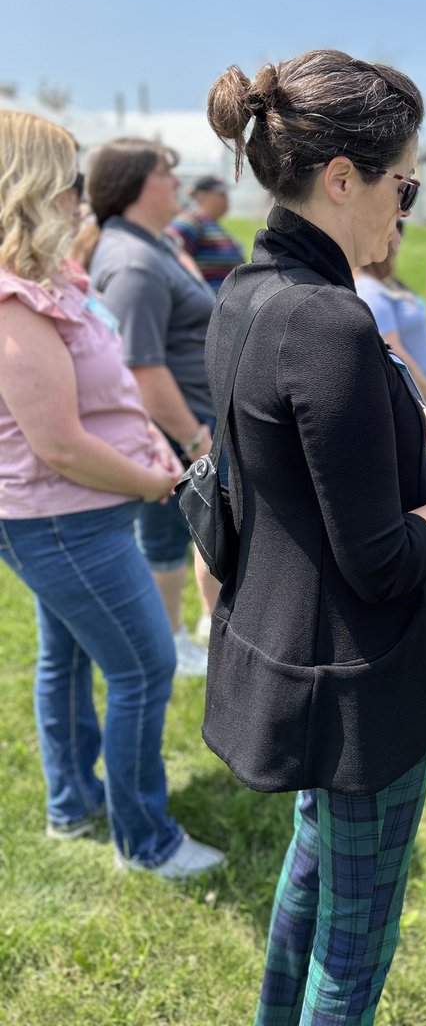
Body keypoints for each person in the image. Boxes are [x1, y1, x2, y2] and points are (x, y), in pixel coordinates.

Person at [204, 49, 426, 1024]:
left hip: (291, 665)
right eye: (408, 181)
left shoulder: (249, 290)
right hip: (359, 689)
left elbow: (308, 457)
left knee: (310, 884)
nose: (412, 204)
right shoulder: (329, 322)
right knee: (354, 951)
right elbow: (383, 556)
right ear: (342, 177)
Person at [0, 109, 224, 878]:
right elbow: (57, 442)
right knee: (144, 668)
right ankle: (148, 839)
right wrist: (157, 478)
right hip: (64, 519)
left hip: (77, 512)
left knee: (65, 658)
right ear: (30, 186)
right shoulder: (13, 303)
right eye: (66, 179)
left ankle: (75, 804)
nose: (78, 196)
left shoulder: (50, 278)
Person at [87, 139, 218, 676]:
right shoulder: (135, 262)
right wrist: (195, 439)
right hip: (172, 429)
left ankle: (193, 627)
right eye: (168, 174)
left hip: (187, 423)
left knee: (195, 531)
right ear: (139, 184)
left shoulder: (151, 245)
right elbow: (141, 370)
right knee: (164, 535)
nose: (178, 184)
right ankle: (171, 637)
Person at [355, 220, 426, 405]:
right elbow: (394, 350)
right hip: (418, 399)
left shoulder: (384, 281)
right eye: (395, 227)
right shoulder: (368, 289)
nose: (400, 234)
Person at [167, 175, 245, 292]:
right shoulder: (190, 221)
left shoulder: (212, 226)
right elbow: (170, 251)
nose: (226, 198)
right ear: (202, 196)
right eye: (221, 193)